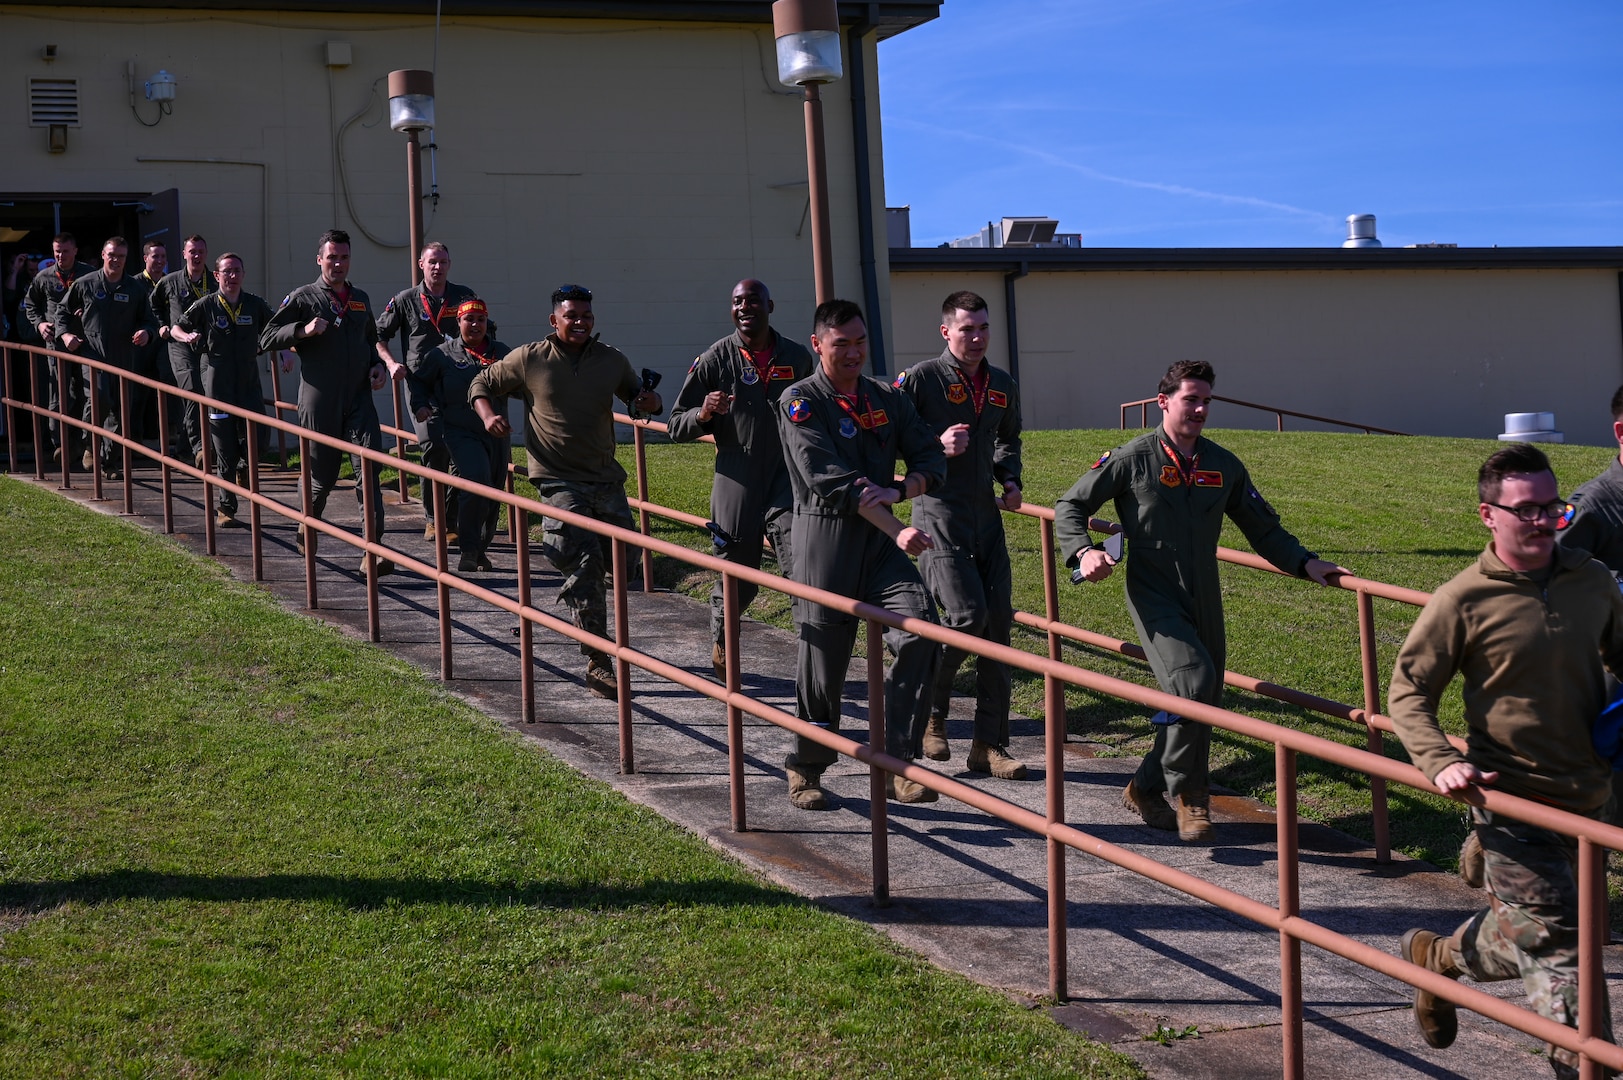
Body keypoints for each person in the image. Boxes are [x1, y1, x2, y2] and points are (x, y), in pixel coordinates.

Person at [1390, 444, 1623, 1079]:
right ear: (1488, 515)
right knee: (1562, 949)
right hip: (1511, 800)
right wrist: (1439, 760)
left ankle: (1440, 958)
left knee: (1541, 930)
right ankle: (1583, 1066)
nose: (1543, 520)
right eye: (1527, 510)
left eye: (1553, 506)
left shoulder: (1593, 581)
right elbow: (1409, 691)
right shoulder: (1462, 600)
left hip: (1590, 797)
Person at [1054, 360, 1347, 841]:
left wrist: (1307, 563)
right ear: (1163, 401)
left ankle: (1144, 787)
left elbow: (1263, 529)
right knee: (1194, 683)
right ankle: (1192, 796)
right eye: (1191, 399)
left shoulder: (1222, 464)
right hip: (1153, 590)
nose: (1200, 409)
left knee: (1202, 697)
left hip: (1204, 590)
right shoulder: (1133, 458)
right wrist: (1083, 552)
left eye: (1207, 400)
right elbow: (1071, 505)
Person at [775, 298, 948, 810]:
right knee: (822, 663)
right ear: (817, 345)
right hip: (825, 540)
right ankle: (806, 766)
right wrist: (895, 524)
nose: (853, 354)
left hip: (880, 544)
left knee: (920, 631)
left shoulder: (885, 397)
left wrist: (903, 490)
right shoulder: (799, 401)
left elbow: (930, 453)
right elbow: (831, 482)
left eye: (860, 342)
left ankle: (898, 759)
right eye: (841, 344)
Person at [468, 284, 662, 700]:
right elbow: (481, 385)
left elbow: (642, 398)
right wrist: (488, 417)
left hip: (605, 478)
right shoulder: (530, 358)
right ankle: (598, 658)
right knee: (585, 559)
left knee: (626, 558)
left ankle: (582, 611)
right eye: (571, 315)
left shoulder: (610, 360)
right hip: (557, 479)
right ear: (554, 320)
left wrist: (648, 401)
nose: (580, 322)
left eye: (586, 316)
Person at [895, 291, 1028, 780]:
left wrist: (1009, 478)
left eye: (984, 328)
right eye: (967, 329)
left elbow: (1009, 436)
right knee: (967, 617)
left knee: (998, 627)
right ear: (945, 332)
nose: (977, 338)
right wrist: (935, 446)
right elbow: (885, 435)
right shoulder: (921, 380)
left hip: (985, 520)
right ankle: (933, 708)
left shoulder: (1002, 383)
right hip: (937, 515)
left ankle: (990, 746)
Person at [668, 278, 814, 679]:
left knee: (801, 571)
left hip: (787, 478)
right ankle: (723, 639)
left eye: (753, 300)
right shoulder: (716, 358)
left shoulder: (798, 357)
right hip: (737, 476)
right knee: (738, 578)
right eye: (737, 302)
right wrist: (703, 413)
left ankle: (814, 665)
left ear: (771, 304)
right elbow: (676, 426)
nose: (745, 307)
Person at [259, 229, 395, 574]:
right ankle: (308, 521)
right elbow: (266, 337)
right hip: (320, 399)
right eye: (332, 257)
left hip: (359, 399)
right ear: (319, 259)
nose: (338, 264)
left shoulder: (360, 298)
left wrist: (378, 367)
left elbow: (370, 342)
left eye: (344, 257)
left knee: (369, 470)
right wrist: (302, 331)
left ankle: (373, 550)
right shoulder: (304, 298)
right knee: (322, 475)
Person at [376, 241, 481, 540]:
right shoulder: (406, 299)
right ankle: (434, 518)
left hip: (459, 381)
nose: (438, 267)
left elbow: (484, 330)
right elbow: (378, 335)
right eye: (432, 262)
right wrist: (390, 363)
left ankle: (453, 519)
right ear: (421, 264)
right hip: (421, 384)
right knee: (433, 444)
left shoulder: (463, 296)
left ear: (449, 264)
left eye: (443, 262)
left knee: (460, 447)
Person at [174, 252, 284, 526]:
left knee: (259, 438)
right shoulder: (206, 305)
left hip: (248, 383)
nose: (232, 276)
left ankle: (245, 466)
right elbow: (177, 327)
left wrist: (286, 352)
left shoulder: (254, 304)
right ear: (217, 275)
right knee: (224, 449)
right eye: (226, 271)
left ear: (243, 274)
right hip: (218, 383)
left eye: (236, 271)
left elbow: (276, 327)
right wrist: (187, 336)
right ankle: (226, 507)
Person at [415, 298, 509, 572]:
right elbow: (419, 381)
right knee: (475, 481)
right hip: (459, 431)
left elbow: (522, 380)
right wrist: (421, 405)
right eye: (469, 320)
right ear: (458, 323)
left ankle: (480, 549)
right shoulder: (442, 354)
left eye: (480, 320)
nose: (475, 325)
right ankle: (468, 549)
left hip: (496, 434)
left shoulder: (501, 353)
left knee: (493, 492)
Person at [54, 237, 159, 478]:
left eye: (121, 256)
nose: (116, 260)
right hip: (93, 352)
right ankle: (91, 444)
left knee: (121, 409)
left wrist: (146, 333)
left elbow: (149, 320)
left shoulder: (135, 289)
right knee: (99, 396)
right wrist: (66, 334)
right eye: (112, 255)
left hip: (124, 355)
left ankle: (110, 463)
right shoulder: (86, 283)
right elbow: (62, 311)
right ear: (103, 255)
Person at [24, 234, 96, 463]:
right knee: (59, 393)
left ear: (75, 251)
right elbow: (30, 304)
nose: (60, 256)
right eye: (56, 251)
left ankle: (88, 445)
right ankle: (62, 444)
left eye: (65, 251)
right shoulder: (43, 277)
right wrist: (39, 324)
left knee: (89, 393)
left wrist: (88, 314)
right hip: (56, 344)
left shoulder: (89, 275)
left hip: (85, 343)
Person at [152, 235, 217, 465]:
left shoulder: (215, 281)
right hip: (180, 346)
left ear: (206, 254)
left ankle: (184, 447)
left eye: (201, 251)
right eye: (192, 251)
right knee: (191, 390)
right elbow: (154, 304)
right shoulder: (170, 281)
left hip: (207, 346)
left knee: (208, 393)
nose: (197, 256)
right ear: (184, 254)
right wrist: (162, 326)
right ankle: (200, 448)